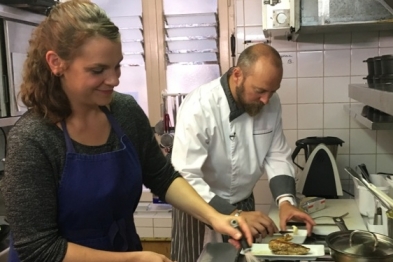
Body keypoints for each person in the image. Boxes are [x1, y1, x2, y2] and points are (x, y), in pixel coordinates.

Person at [0, 1, 253, 262]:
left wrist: (216, 217)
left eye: (117, 66)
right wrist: (133, 259)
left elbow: (161, 176)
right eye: (98, 70)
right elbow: (39, 248)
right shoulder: (33, 138)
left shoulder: (124, 111)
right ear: (56, 63)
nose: (114, 80)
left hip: (121, 251)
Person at [170, 43, 316, 262]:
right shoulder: (199, 106)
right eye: (260, 91)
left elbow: (277, 154)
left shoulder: (270, 103)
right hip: (198, 208)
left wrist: (286, 202)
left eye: (272, 91)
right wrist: (231, 214)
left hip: (243, 205)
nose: (267, 99)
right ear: (237, 74)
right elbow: (185, 175)